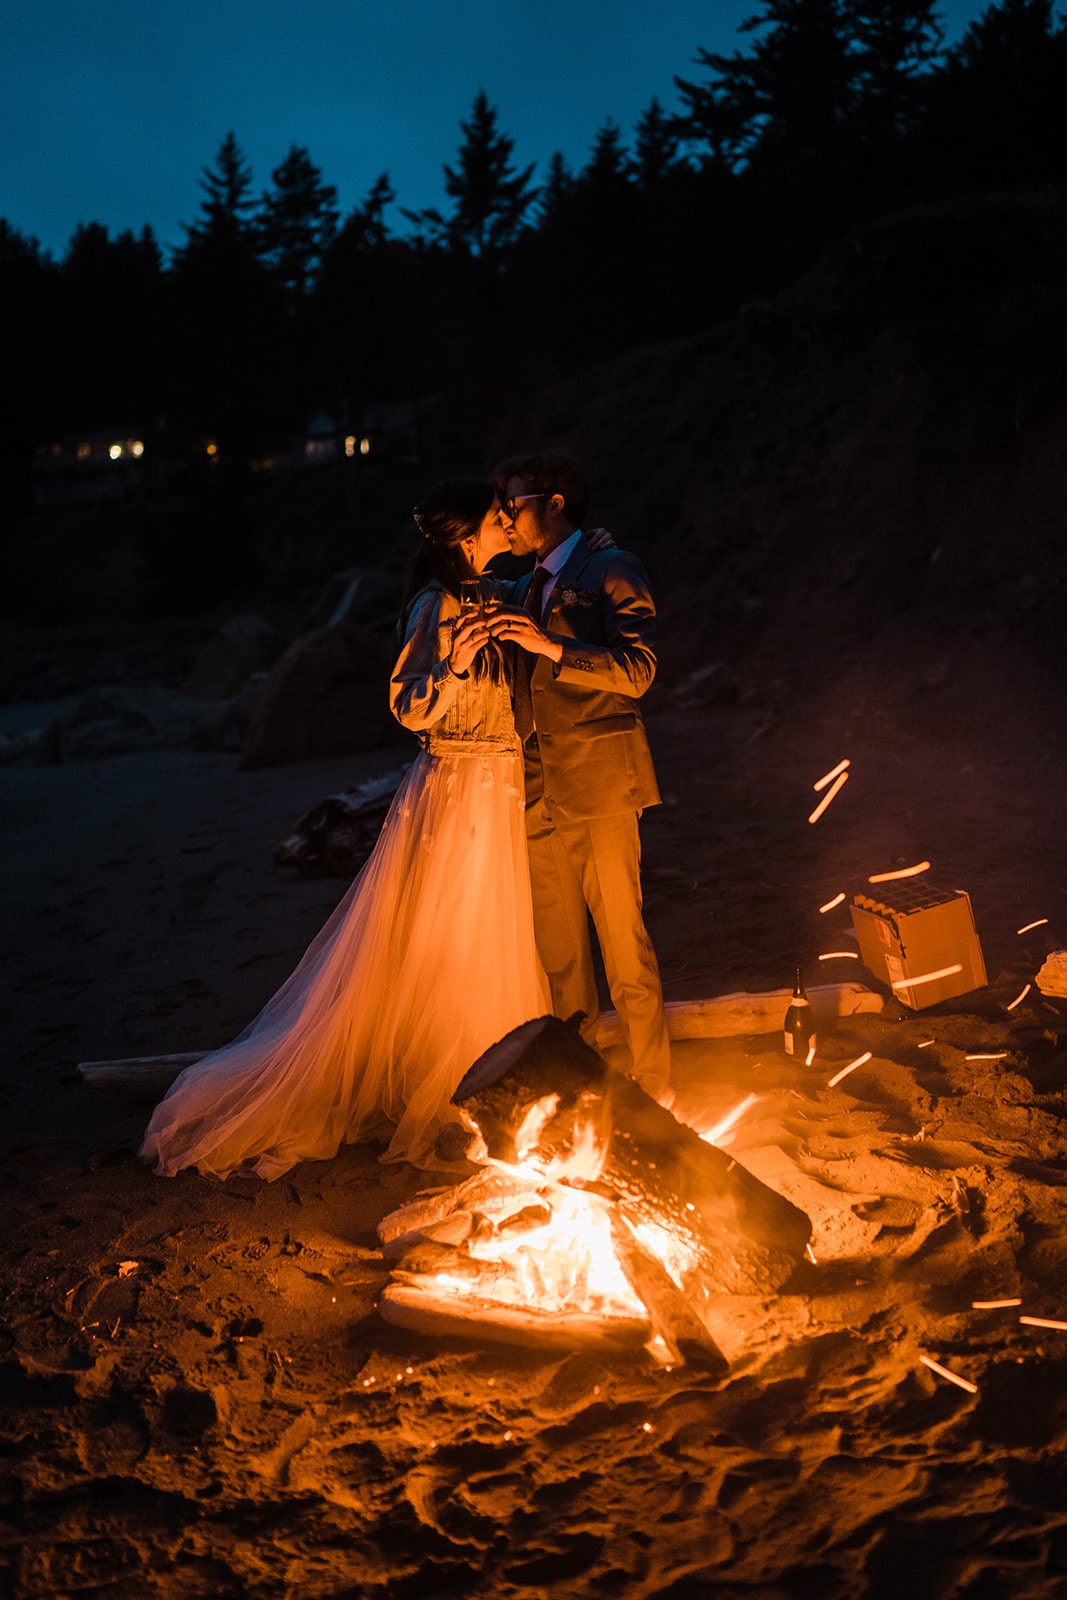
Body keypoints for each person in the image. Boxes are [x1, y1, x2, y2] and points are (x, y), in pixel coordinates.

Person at [140, 478, 549, 1180]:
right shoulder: (436, 603)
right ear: (463, 536)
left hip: (494, 781)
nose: (501, 530)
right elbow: (409, 705)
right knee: (445, 934)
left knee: (486, 931)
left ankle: (474, 1075)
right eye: (492, 521)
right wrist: (452, 663)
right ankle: (441, 1083)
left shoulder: (484, 593)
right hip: (455, 786)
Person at [487, 452, 672, 1099]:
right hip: (534, 794)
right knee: (561, 963)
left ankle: (653, 1087)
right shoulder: (519, 588)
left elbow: (638, 672)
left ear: (554, 501)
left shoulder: (611, 568)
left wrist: (552, 647)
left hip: (598, 784)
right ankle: (582, 1091)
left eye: (512, 503)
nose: (504, 516)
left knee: (624, 949)